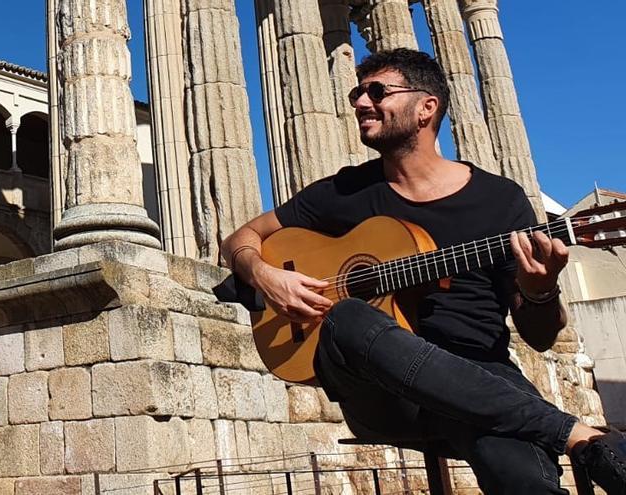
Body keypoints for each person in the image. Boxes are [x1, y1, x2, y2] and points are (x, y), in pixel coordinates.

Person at [220, 48, 626, 494]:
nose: (359, 102)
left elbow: (541, 337)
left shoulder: (500, 200)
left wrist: (540, 290)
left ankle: (555, 435)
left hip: (479, 374)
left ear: (426, 108)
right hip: (381, 392)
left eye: (377, 91)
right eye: (358, 92)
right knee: (347, 317)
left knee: (523, 476)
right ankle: (574, 434)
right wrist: (264, 274)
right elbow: (240, 239)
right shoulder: (344, 191)